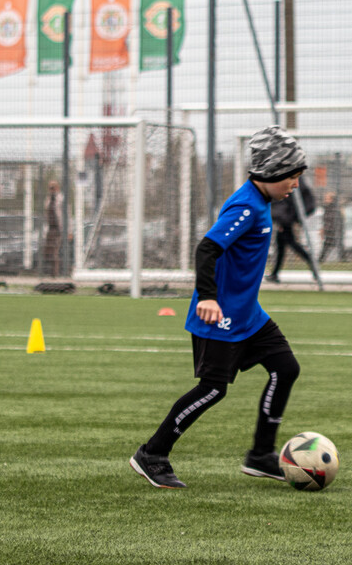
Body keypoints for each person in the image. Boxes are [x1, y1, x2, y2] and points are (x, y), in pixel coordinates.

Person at [129, 126, 306, 488]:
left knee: (286, 368)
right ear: (271, 172)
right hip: (220, 317)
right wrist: (208, 298)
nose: (296, 185)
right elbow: (206, 249)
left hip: (248, 315)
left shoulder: (262, 203)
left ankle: (260, 454)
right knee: (213, 390)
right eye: (292, 176)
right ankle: (152, 454)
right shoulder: (247, 206)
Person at [265, 178, 315, 283]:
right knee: (282, 246)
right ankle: (275, 273)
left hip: (286, 219)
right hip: (287, 218)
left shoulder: (293, 183)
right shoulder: (295, 181)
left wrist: (284, 220)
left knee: (291, 245)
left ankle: (311, 262)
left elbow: (287, 203)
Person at [42, 180, 63, 277]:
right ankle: (49, 272)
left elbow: (65, 215)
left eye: (53, 188)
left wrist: (68, 230)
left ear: (57, 188)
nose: (51, 190)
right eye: (50, 188)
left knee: (55, 251)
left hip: (58, 228)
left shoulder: (61, 199)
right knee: (48, 251)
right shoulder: (48, 200)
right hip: (50, 228)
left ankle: (56, 274)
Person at [319, 191, 342, 263]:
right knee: (331, 247)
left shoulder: (333, 209)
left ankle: (320, 260)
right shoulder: (327, 208)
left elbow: (331, 222)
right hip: (330, 232)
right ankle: (320, 260)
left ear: (331, 199)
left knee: (329, 246)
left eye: (327, 198)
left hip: (333, 232)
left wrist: (325, 230)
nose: (325, 200)